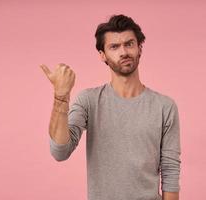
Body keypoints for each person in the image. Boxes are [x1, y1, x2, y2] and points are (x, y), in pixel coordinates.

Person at [40, 14, 181, 200]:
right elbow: (60, 152)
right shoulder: (88, 101)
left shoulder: (165, 107)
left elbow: (170, 172)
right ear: (102, 55)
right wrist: (61, 97)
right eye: (114, 46)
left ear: (139, 48)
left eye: (129, 44)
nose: (124, 52)